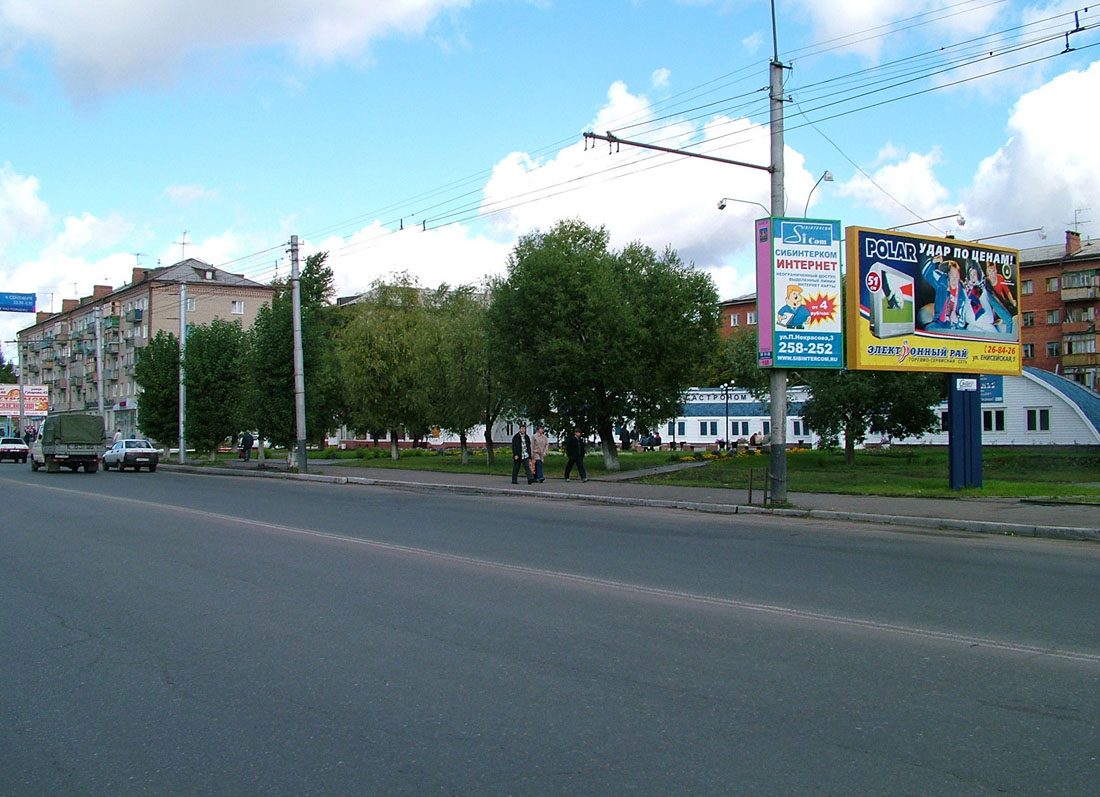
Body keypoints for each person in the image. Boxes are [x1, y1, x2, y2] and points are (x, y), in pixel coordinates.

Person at [922, 256, 965, 331]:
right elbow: (926, 273)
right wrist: (933, 261)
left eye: (957, 276)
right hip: (940, 324)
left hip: (956, 327)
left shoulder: (963, 293)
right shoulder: (942, 283)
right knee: (928, 329)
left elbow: (964, 318)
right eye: (952, 275)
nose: (954, 279)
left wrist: (957, 320)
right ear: (948, 275)